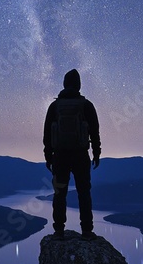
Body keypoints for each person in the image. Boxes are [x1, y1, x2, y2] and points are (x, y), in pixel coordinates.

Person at [43, 69, 101, 240]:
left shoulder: (54, 106)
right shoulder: (86, 105)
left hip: (60, 156)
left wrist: (48, 156)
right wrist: (96, 153)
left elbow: (47, 134)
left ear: (64, 84)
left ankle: (59, 230)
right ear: (78, 85)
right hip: (80, 155)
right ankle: (87, 231)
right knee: (84, 192)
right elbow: (95, 132)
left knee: (60, 193)